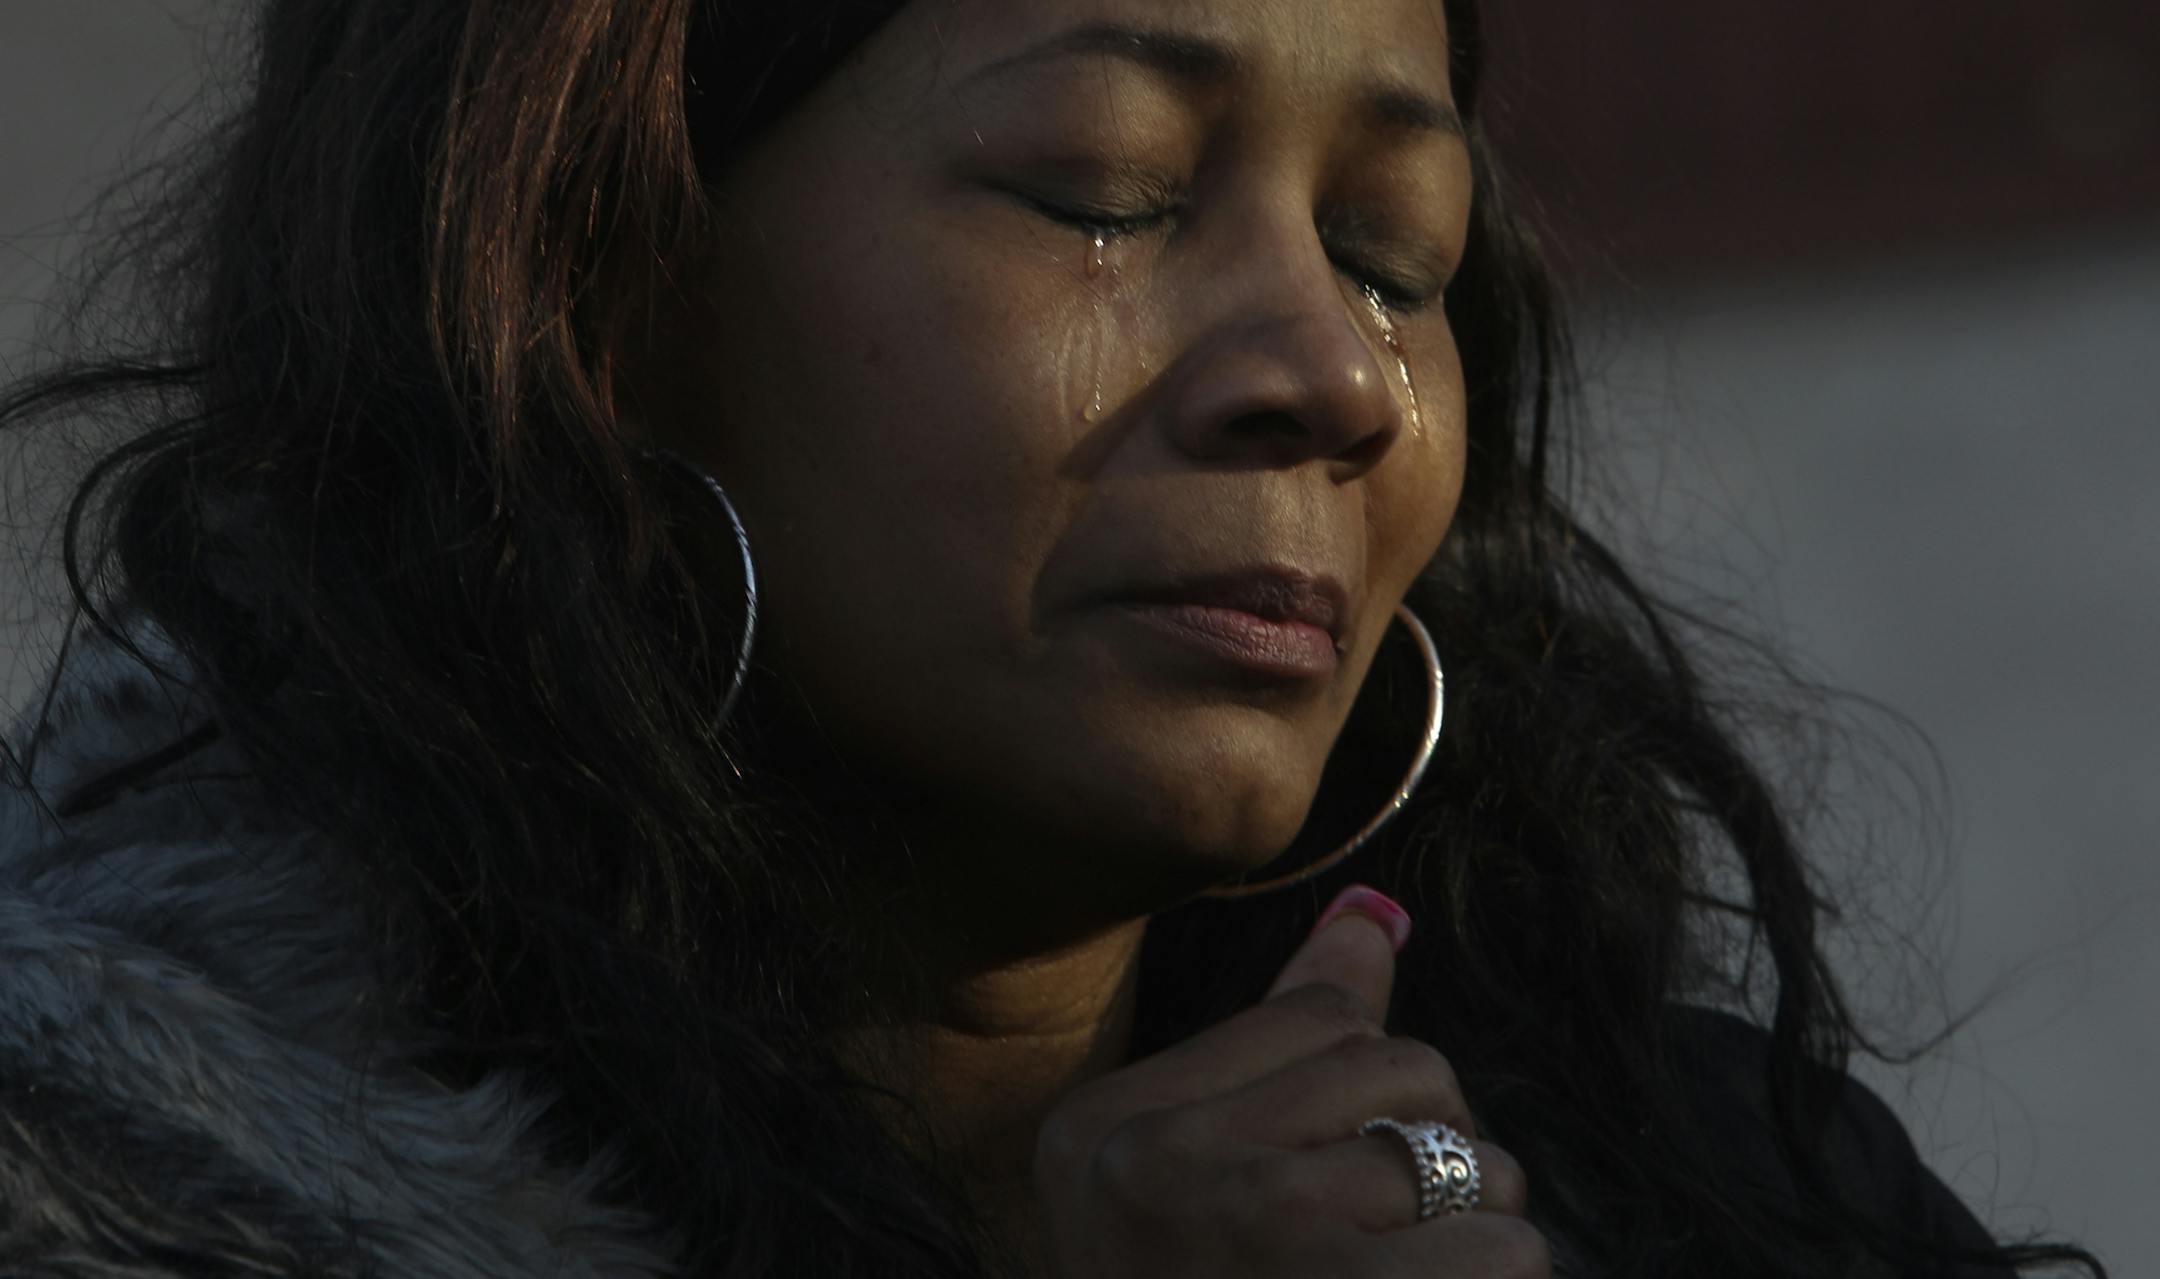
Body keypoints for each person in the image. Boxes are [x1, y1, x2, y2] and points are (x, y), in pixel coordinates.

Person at [0, 1, 2109, 1276]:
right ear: (593, 291)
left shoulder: (1715, 1183)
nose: (1337, 376)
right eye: (1106, 190)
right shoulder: (115, 1184)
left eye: (1398, 255)